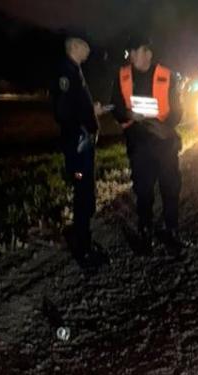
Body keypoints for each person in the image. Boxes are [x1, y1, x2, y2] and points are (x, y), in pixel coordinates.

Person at [110, 34, 184, 253]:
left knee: (170, 188)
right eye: (136, 51)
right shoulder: (121, 76)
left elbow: (177, 110)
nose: (134, 55)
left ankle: (172, 231)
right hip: (139, 143)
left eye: (143, 51)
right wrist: (128, 113)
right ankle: (145, 232)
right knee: (143, 192)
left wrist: (166, 126)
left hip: (164, 143)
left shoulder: (166, 75)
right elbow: (116, 106)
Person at [53, 36, 108, 265]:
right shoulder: (66, 72)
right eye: (85, 45)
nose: (88, 49)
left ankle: (84, 240)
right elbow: (64, 112)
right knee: (82, 192)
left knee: (85, 192)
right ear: (74, 47)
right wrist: (86, 123)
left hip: (82, 143)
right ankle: (83, 249)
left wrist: (92, 111)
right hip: (78, 146)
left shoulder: (74, 70)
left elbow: (77, 106)